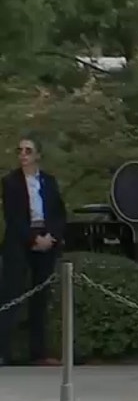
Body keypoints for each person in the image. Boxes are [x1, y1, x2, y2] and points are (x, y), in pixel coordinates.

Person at [0, 135, 67, 367]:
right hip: (20, 241)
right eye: (20, 150)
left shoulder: (49, 181)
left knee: (40, 296)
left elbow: (59, 213)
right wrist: (33, 239)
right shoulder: (10, 182)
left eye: (28, 151)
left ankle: (38, 352)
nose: (23, 155)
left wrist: (50, 237)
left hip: (46, 238)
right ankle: (3, 352)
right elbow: (14, 218)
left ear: (38, 155)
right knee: (12, 294)